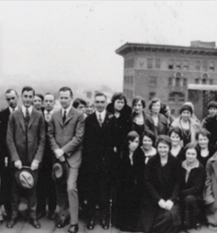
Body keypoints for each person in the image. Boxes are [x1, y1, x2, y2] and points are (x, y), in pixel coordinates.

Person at [5, 86, 45, 229]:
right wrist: (15, 158)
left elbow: (42, 139)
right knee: (15, 190)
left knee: (32, 190)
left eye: (30, 97)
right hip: (18, 161)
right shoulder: (14, 115)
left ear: (33, 98)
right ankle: (14, 216)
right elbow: (9, 138)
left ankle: (33, 216)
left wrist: (37, 159)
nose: (28, 99)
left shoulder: (38, 115)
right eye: (25, 96)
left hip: (32, 161)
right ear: (21, 97)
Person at [48, 87, 85, 233]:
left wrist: (63, 151)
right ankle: (63, 216)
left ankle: (74, 222)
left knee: (71, 188)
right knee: (60, 189)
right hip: (58, 159)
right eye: (61, 98)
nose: (63, 100)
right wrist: (57, 150)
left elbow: (78, 137)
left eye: (66, 97)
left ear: (71, 98)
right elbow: (50, 134)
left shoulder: (79, 115)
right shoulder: (54, 115)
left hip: (73, 158)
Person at [81, 93, 113, 230]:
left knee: (105, 193)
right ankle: (91, 218)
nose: (100, 104)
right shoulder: (89, 119)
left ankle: (105, 218)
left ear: (106, 103)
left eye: (102, 102)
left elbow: (113, 141)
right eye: (97, 102)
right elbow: (86, 142)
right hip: (92, 163)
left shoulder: (112, 119)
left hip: (106, 163)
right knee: (92, 192)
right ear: (94, 103)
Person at [140, 134, 182, 233]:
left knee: (171, 216)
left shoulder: (175, 161)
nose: (162, 150)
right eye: (160, 147)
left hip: (169, 198)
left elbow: (178, 182)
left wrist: (171, 200)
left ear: (169, 148)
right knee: (151, 221)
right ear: (157, 147)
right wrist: (158, 200)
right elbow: (147, 181)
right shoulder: (152, 161)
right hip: (154, 198)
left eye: (165, 147)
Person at [0, 89, 19, 219]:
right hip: (7, 155)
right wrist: (5, 156)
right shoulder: (2, 115)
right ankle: (10, 211)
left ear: (17, 97)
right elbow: (0, 138)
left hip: (23, 154)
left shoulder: (23, 113)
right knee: (8, 182)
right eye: (8, 99)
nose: (11, 101)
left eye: (13, 98)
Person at [115, 131, 145, 232]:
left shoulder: (140, 154)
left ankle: (133, 223)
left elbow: (141, 173)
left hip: (135, 184)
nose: (134, 144)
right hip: (122, 185)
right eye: (132, 142)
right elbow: (118, 172)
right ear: (128, 141)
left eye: (137, 142)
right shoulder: (122, 152)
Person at [37, 93, 57, 220]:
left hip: (54, 154)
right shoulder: (39, 115)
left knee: (53, 182)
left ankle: (52, 209)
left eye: (51, 101)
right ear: (43, 103)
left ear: (54, 103)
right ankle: (41, 209)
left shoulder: (58, 115)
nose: (48, 103)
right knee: (41, 183)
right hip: (41, 154)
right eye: (46, 101)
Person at [179, 142, 206, 231]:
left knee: (189, 199)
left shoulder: (200, 167)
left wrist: (181, 193)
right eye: (188, 153)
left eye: (193, 154)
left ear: (197, 155)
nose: (190, 156)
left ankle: (192, 222)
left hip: (195, 195)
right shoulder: (180, 165)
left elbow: (197, 187)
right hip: (181, 193)